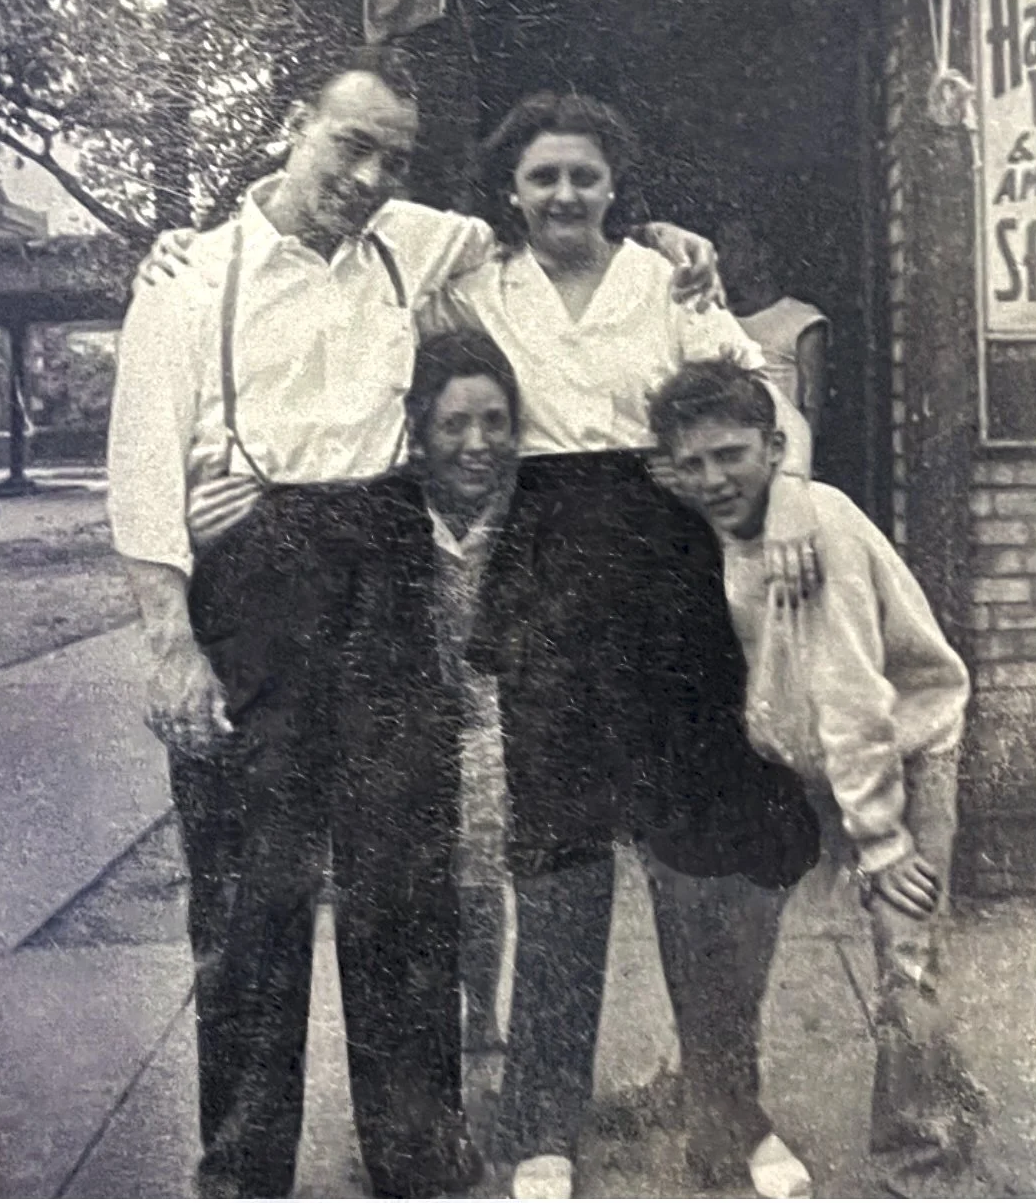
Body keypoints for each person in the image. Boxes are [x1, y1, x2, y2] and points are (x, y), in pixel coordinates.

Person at [110, 48, 721, 1199]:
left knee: (403, 882)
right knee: (253, 894)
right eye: (352, 143)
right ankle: (243, 1166)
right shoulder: (190, 279)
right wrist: (171, 640)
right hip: (255, 576)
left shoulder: (420, 241)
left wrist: (676, 239)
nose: (370, 173)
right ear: (293, 125)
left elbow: (559, 222)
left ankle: (413, 1149)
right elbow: (142, 468)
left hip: (385, 563)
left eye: (393, 156)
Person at [420, 92, 824, 1199]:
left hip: (671, 566)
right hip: (547, 569)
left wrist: (783, 492)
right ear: (511, 187)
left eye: (584, 177)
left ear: (614, 186)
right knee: (558, 860)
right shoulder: (471, 289)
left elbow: (756, 383)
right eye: (544, 176)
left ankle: (729, 1116)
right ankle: (542, 1125)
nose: (563, 195)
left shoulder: (667, 280)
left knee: (700, 859)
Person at [646, 359, 986, 1199]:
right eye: (690, 464)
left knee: (905, 937)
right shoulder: (718, 527)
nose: (713, 479)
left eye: (730, 455)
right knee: (734, 916)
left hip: (897, 748)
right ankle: (729, 1108)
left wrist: (879, 839)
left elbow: (853, 693)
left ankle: (924, 1144)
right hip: (801, 757)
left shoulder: (815, 529)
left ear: (774, 447)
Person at [403, 332, 519, 1058]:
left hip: (492, 718)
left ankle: (480, 1013)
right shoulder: (395, 508)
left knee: (479, 870)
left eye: (494, 423)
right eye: (454, 425)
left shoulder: (524, 511)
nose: (477, 443)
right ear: (422, 430)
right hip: (410, 714)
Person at [716, 213, 829, 452]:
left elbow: (813, 408)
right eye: (720, 246)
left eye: (734, 246)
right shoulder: (718, 318)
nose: (721, 258)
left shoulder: (801, 320)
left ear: (761, 253)